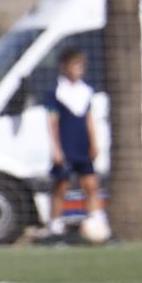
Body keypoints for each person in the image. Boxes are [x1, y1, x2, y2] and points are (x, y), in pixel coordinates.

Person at [45, 48, 105, 238]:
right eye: (74, 65)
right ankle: (55, 226)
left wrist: (94, 143)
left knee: (91, 184)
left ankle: (96, 220)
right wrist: (56, 149)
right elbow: (52, 123)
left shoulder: (85, 92)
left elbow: (88, 119)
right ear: (64, 67)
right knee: (61, 186)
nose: (78, 69)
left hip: (82, 145)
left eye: (80, 65)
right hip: (65, 145)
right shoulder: (56, 92)